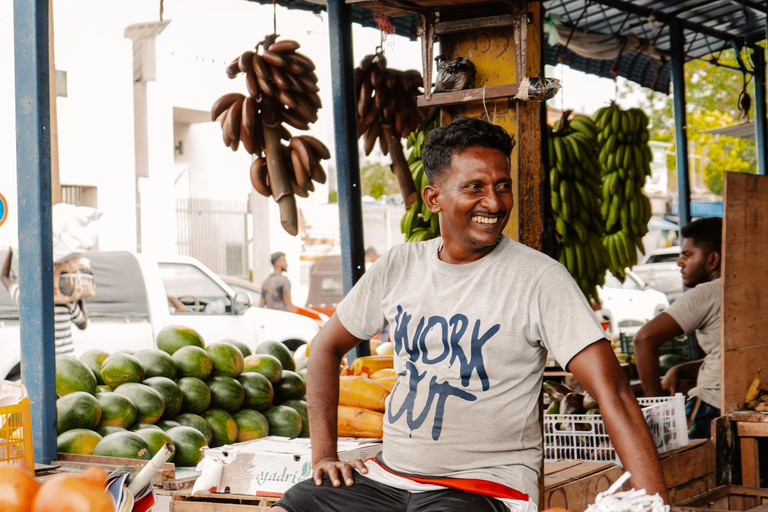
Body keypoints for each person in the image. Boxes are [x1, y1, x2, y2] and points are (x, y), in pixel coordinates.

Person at [270, 117, 667, 512]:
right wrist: (324, 454)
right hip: (388, 478)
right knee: (294, 505)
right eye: (475, 187)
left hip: (484, 488)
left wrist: (655, 503)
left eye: (502, 186)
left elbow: (613, 392)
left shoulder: (540, 279)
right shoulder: (398, 266)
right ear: (433, 198)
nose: (494, 203)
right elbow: (325, 347)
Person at [633, 217, 722, 439]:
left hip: (711, 410)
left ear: (713, 260)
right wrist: (680, 370)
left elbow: (643, 339)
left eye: (688, 255)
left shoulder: (707, 293)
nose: (680, 262)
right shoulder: (753, 287)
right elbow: (728, 358)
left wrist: (656, 412)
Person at [1, 248, 88, 356]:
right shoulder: (66, 303)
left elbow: (4, 276)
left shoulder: (26, 299)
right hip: (66, 364)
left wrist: (12, 248)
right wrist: (78, 293)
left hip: (43, 366)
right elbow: (83, 325)